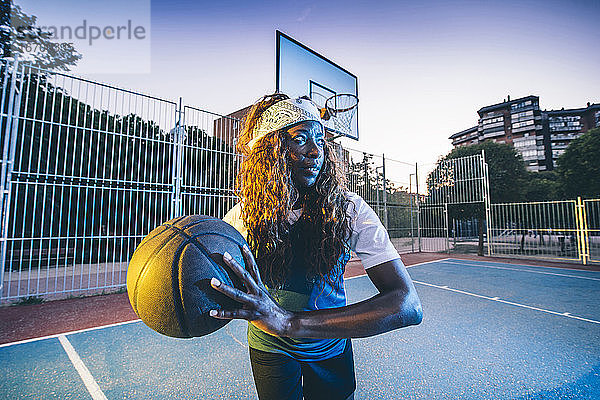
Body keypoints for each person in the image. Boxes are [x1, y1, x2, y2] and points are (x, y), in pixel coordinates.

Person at [209, 93, 422, 400]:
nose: (315, 150)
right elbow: (211, 281)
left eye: (320, 140)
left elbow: (408, 305)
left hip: (329, 346)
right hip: (270, 349)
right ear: (271, 150)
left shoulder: (348, 210)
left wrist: (290, 323)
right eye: (300, 139)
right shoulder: (244, 216)